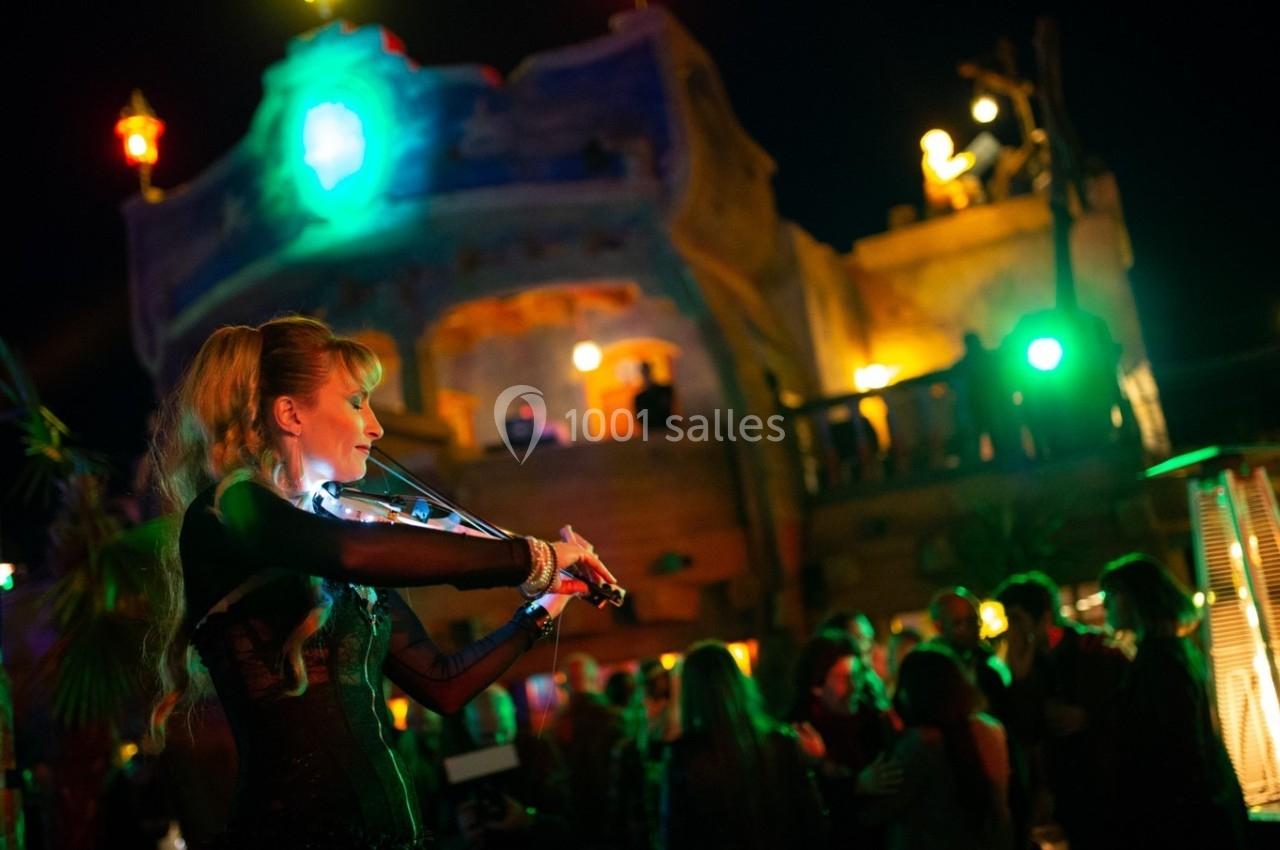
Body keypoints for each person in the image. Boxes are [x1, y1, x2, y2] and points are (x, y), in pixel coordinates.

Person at [147, 316, 615, 849]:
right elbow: (351, 552)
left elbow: (441, 684)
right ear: (290, 413)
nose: (375, 426)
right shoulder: (227, 510)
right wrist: (530, 558)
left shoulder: (333, 538)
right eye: (355, 402)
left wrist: (542, 608)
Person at [1098, 554, 1249, 849]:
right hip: (1199, 812)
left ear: (1135, 598)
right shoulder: (1176, 652)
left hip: (1179, 820)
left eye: (1110, 595)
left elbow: (1172, 747)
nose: (1105, 606)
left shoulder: (1159, 662)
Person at [995, 571, 1128, 849]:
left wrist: (1089, 718)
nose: (1011, 630)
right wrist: (1020, 681)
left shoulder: (1096, 650)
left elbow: (1134, 711)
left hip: (1115, 790)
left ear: (1044, 618)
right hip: (1069, 798)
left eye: (1016, 620)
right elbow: (1025, 734)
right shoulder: (1029, 665)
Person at [661, 641, 826, 850]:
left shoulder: (683, 757)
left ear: (691, 691)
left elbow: (676, 835)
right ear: (738, 682)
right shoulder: (779, 741)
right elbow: (812, 821)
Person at [862, 645, 1013, 850]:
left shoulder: (921, 744)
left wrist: (858, 785)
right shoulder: (991, 730)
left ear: (912, 693)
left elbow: (878, 812)